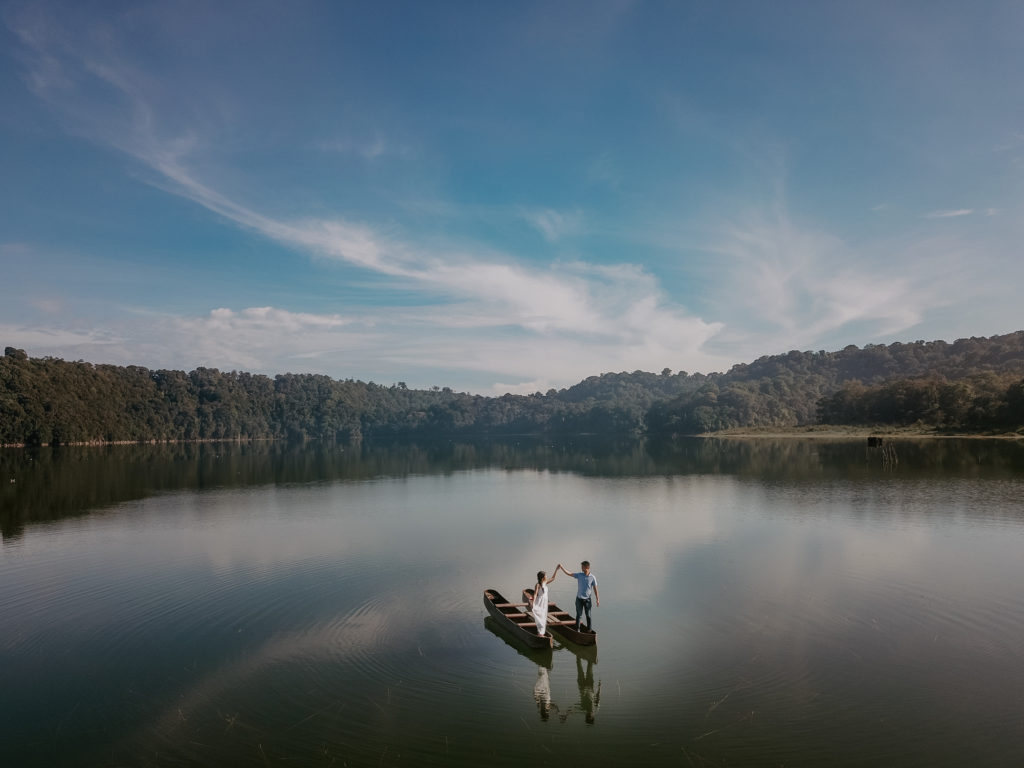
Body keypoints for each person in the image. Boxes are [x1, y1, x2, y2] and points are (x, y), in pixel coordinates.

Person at [556, 561, 599, 632]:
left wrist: (597, 599)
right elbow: (569, 573)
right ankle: (577, 630)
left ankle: (589, 630)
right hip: (579, 599)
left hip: (587, 600)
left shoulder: (592, 577)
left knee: (588, 615)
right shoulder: (579, 575)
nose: (581, 568)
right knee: (579, 615)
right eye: (581, 567)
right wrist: (562, 568)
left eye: (582, 567)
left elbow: (595, 589)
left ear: (587, 567)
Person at [527, 569, 557, 635]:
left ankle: (541, 633)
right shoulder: (537, 585)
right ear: (543, 577)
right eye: (546, 575)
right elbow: (535, 594)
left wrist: (556, 569)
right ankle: (540, 633)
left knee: (543, 617)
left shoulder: (545, 582)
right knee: (540, 618)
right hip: (540, 602)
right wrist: (533, 603)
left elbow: (553, 578)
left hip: (544, 603)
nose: (547, 576)